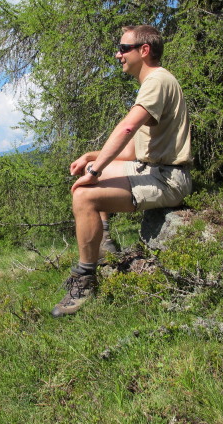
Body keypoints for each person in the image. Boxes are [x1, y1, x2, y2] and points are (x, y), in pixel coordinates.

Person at [51, 25, 193, 318]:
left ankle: (84, 280)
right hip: (155, 168)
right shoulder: (157, 83)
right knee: (91, 174)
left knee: (85, 197)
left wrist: (96, 169)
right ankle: (103, 244)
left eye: (123, 48)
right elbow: (136, 150)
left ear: (144, 51)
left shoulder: (156, 81)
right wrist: (91, 159)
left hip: (169, 178)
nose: (118, 55)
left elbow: (127, 128)